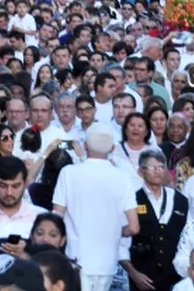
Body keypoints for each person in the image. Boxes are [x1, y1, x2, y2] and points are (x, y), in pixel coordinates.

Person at [52, 123, 139, 291]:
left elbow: (56, 217)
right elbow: (134, 227)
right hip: (107, 263)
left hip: (76, 259)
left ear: (85, 146)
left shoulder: (69, 173)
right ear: (113, 148)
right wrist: (116, 230)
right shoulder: (123, 177)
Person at [122, 150, 188, 291]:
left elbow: (187, 237)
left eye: (161, 167)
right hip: (142, 277)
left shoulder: (180, 200)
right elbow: (122, 244)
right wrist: (134, 273)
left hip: (174, 277)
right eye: (153, 168)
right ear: (141, 172)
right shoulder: (132, 200)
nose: (158, 172)